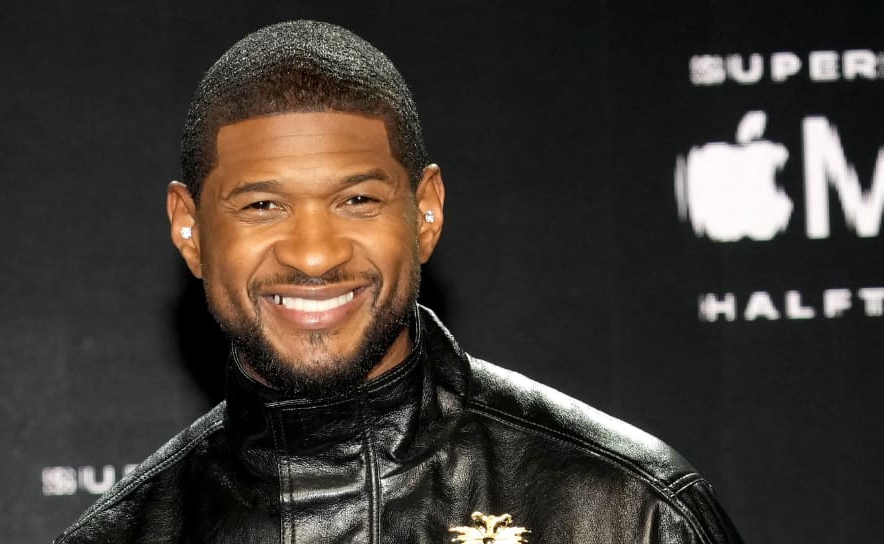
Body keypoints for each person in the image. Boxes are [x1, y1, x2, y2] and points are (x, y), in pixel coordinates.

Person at [56, 20, 742, 544]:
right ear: (190, 230)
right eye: (262, 205)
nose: (315, 256)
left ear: (425, 214)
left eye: (357, 200)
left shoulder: (631, 512)